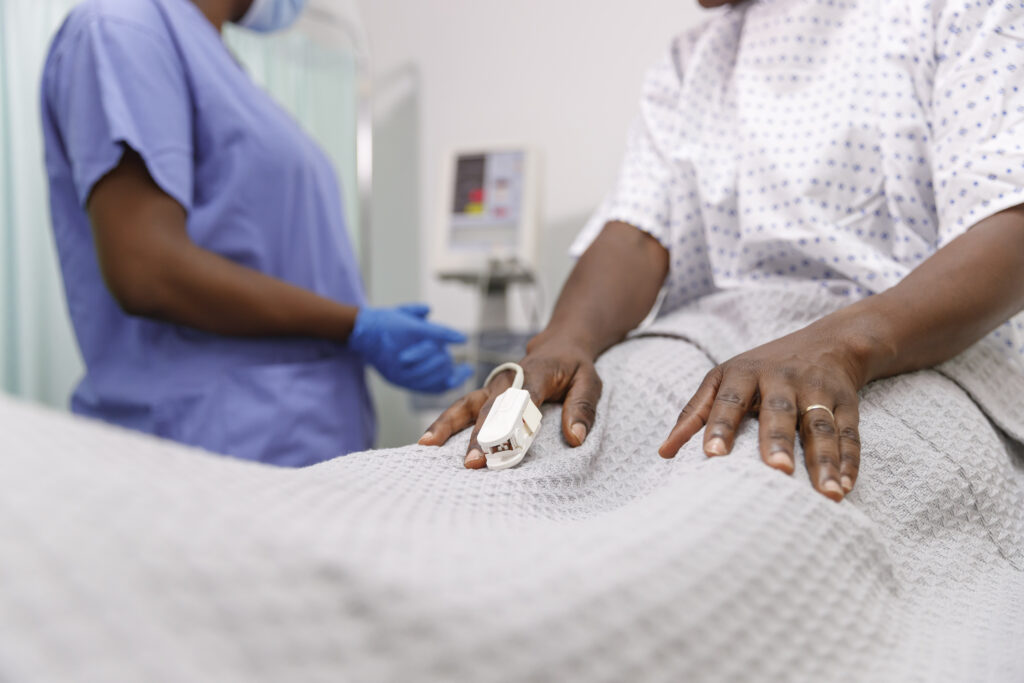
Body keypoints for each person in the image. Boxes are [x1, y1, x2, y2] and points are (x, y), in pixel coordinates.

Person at [421, 0, 1024, 501]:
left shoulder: (957, 12)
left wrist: (841, 344)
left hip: (908, 348)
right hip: (705, 349)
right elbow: (635, 231)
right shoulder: (692, 62)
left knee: (751, 495)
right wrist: (563, 340)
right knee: (485, 481)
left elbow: (1010, 225)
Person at [41, 0, 471, 466]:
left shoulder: (215, 59)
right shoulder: (122, 28)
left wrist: (356, 330)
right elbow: (146, 269)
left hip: (286, 443)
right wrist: (353, 326)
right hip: (212, 449)